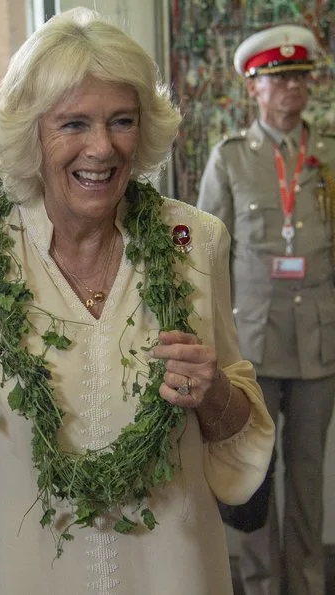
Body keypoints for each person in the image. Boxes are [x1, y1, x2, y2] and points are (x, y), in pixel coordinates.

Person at [0, 8, 274, 595]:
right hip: (23, 573)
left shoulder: (195, 244)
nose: (101, 148)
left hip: (170, 572)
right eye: (74, 124)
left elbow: (237, 433)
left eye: (121, 121)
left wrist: (215, 392)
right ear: (33, 133)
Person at [197, 24, 335, 595]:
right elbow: (204, 264)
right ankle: (259, 584)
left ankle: (305, 583)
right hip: (251, 349)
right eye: (278, 81)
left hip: (319, 346)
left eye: (300, 79)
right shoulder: (230, 159)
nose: (291, 90)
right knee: (253, 473)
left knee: (307, 478)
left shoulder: (328, 157)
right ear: (253, 88)